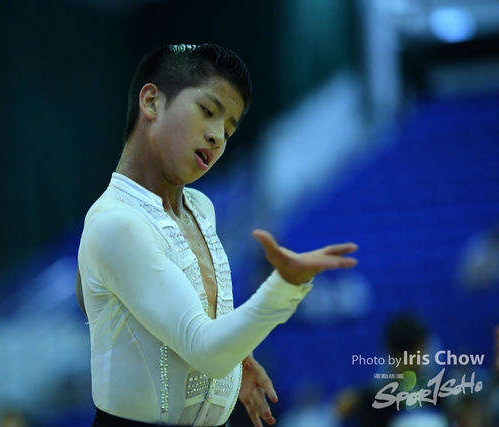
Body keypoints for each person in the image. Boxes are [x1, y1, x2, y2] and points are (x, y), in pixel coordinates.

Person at [76, 43, 358, 427]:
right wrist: (285, 288)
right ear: (152, 102)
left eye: (228, 129)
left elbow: (186, 323)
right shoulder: (116, 223)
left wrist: (236, 359)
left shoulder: (200, 208)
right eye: (208, 112)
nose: (218, 137)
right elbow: (204, 350)